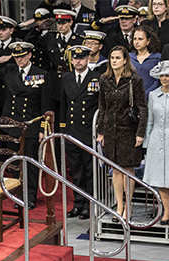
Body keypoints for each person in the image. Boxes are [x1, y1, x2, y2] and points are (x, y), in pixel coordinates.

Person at [0, 41, 50, 209]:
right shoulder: (8, 71)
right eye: (16, 57)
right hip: (11, 124)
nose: (19, 60)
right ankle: (16, 193)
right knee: (13, 163)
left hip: (30, 124)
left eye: (22, 56)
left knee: (29, 162)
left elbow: (45, 104)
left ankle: (29, 197)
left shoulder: (40, 74)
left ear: (29, 55)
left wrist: (43, 127)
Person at [97, 45, 147, 221]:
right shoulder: (104, 79)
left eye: (118, 58)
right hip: (111, 130)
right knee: (115, 170)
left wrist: (141, 133)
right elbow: (102, 107)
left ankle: (128, 204)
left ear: (125, 60)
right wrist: (100, 131)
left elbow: (142, 107)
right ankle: (119, 205)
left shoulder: (135, 80)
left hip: (129, 130)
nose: (114, 61)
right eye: (112, 58)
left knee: (127, 169)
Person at [59, 45, 101, 219]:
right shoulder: (67, 77)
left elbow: (100, 105)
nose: (78, 61)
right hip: (72, 130)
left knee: (90, 171)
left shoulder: (96, 78)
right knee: (75, 171)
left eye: (82, 58)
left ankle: (89, 205)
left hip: (88, 131)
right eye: (75, 58)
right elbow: (63, 104)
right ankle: (77, 204)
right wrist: (62, 128)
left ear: (88, 59)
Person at [143, 59, 169, 226]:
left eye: (167, 75)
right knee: (160, 177)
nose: (164, 78)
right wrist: (146, 144)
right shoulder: (153, 96)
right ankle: (165, 211)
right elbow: (150, 122)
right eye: (162, 75)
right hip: (155, 141)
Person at [130, 25, 162, 97]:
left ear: (148, 41)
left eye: (140, 39)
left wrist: (147, 94)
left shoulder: (157, 58)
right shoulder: (129, 57)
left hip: (152, 97)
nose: (136, 42)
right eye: (135, 39)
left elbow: (158, 81)